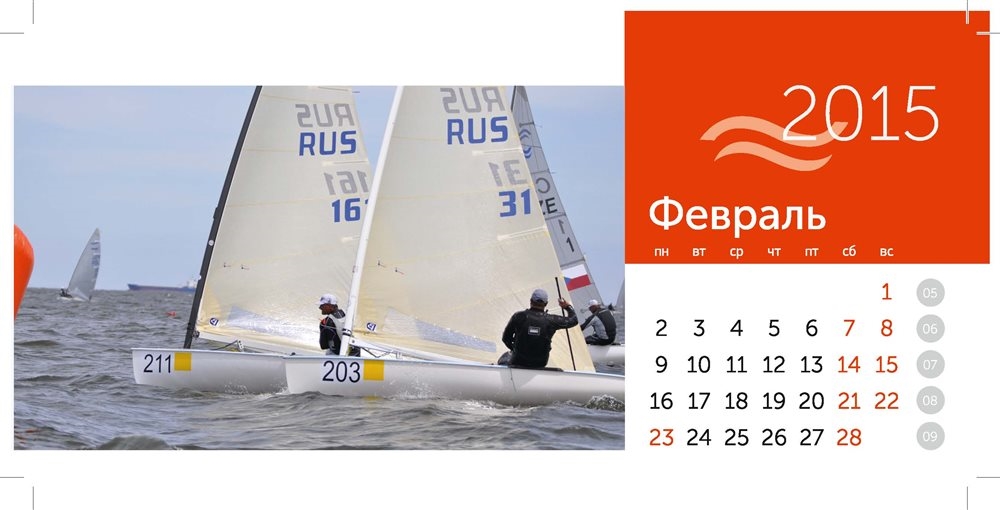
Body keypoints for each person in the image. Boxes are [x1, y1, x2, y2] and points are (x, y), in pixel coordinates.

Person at [498, 288, 578, 369]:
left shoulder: (518, 316)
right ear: (546, 304)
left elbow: (506, 339)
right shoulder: (551, 320)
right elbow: (574, 320)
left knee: (505, 357)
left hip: (519, 360)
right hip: (540, 362)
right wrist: (567, 307)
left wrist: (515, 349)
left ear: (531, 301)